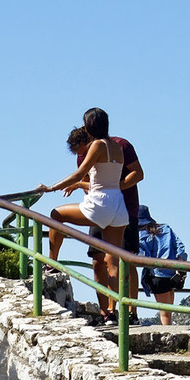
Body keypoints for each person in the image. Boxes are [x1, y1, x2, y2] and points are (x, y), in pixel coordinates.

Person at [40, 109, 140, 320]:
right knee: (113, 262)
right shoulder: (117, 146)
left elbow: (79, 173)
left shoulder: (97, 145)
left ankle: (51, 264)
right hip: (119, 206)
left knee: (56, 215)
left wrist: (50, 188)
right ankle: (115, 311)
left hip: (100, 203)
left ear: (89, 127)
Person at [134, 206, 188, 325]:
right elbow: (181, 248)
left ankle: (170, 338)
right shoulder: (166, 228)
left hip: (157, 276)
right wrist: (180, 267)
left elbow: (142, 257)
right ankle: (172, 336)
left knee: (164, 313)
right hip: (173, 274)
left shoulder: (141, 235)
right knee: (170, 310)